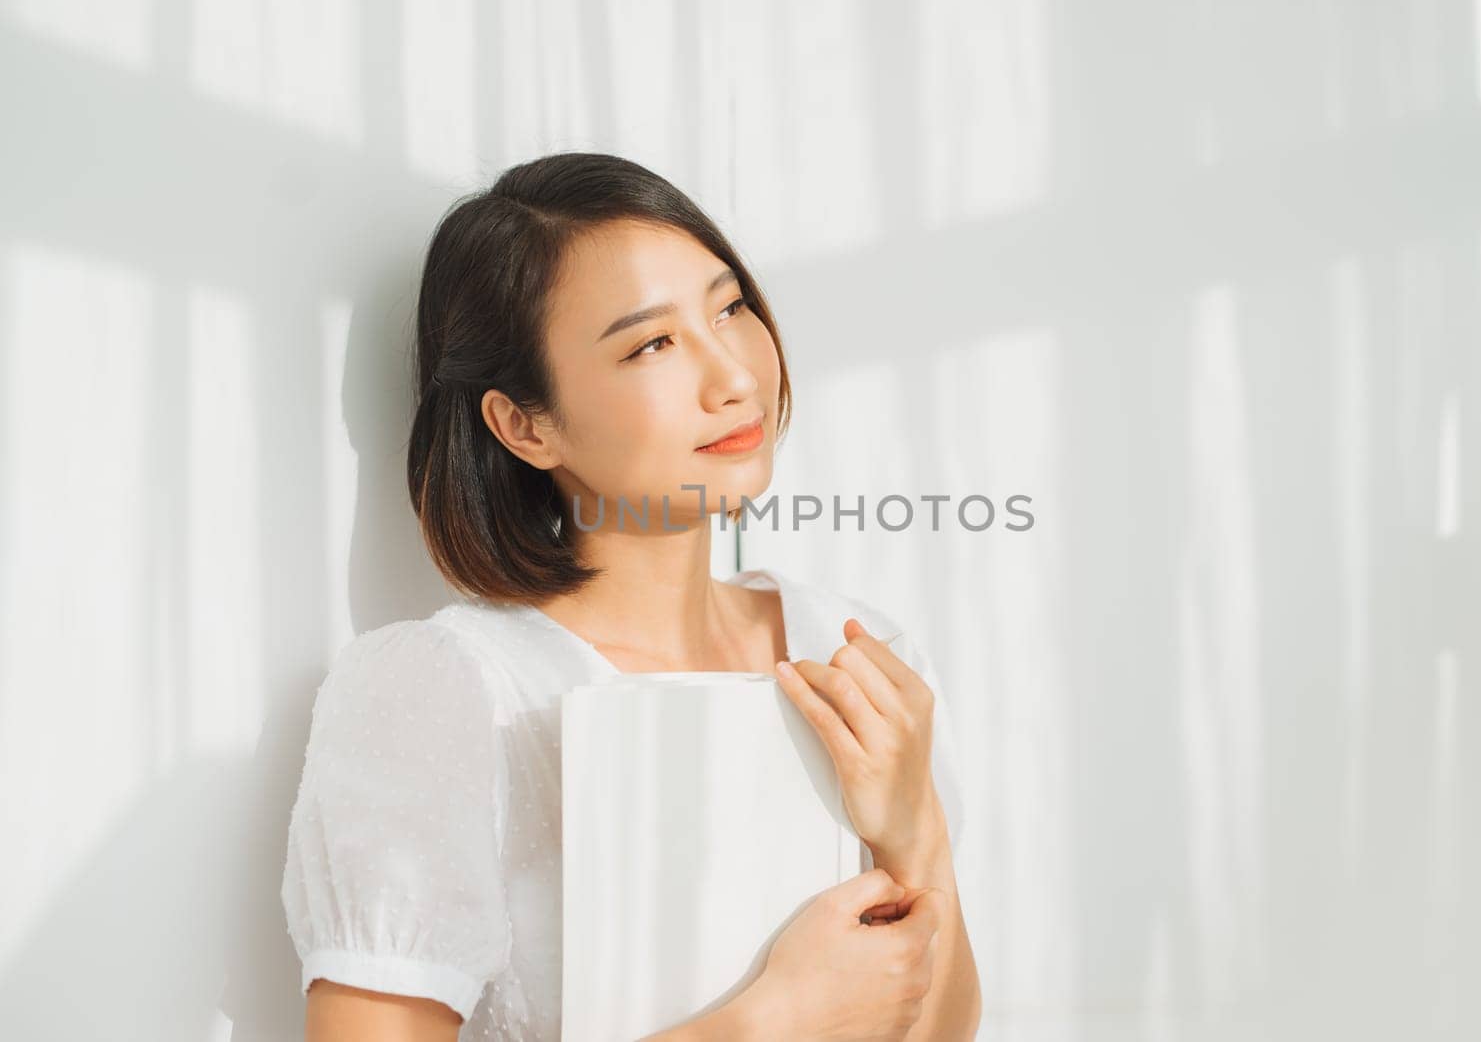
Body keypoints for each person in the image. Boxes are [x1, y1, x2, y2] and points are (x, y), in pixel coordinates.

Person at [280, 152, 981, 1040]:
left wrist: (915, 835)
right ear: (524, 424)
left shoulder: (853, 649)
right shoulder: (446, 691)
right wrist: (767, 1023)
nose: (732, 374)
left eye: (730, 307)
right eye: (651, 343)